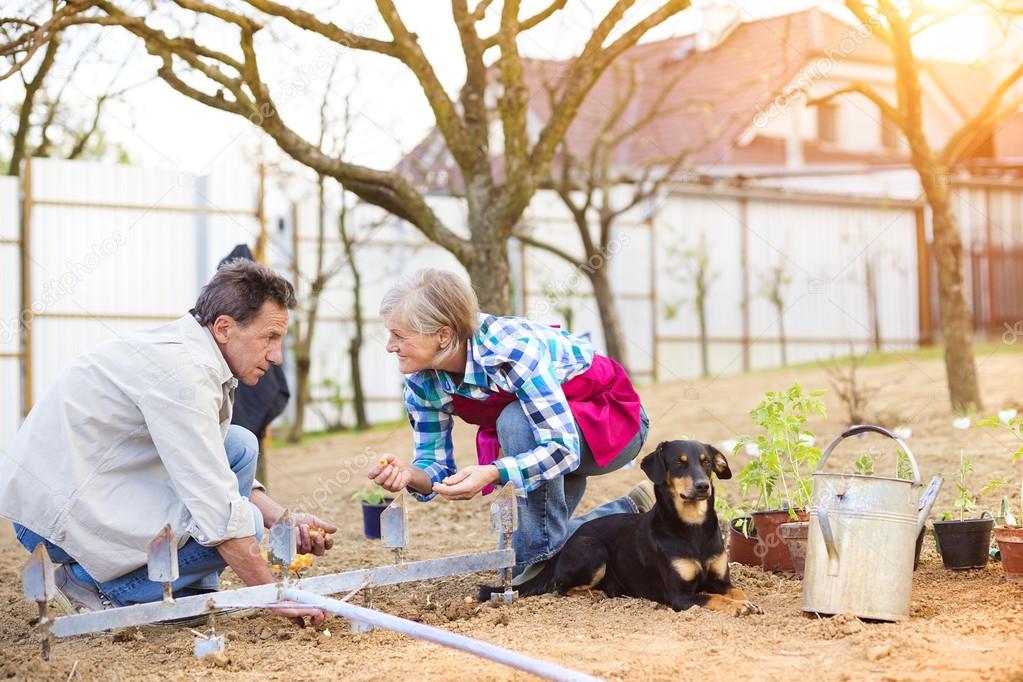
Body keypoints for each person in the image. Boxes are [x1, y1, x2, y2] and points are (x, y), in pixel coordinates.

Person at [0, 260, 334, 625]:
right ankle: (89, 587)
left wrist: (285, 521)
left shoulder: (194, 352)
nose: (277, 355)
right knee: (244, 524)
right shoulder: (185, 376)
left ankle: (188, 587)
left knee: (238, 445)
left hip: (90, 482)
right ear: (224, 327)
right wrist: (277, 599)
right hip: (53, 515)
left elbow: (212, 462)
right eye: (269, 337)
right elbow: (221, 516)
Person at [367, 269, 652, 582]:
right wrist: (411, 475)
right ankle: (620, 516)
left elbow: (561, 448)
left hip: (612, 426)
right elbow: (436, 467)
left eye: (399, 335)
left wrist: (495, 471)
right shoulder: (421, 383)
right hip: (546, 442)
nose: (389, 345)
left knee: (516, 421)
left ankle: (539, 561)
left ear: (443, 335)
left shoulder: (511, 351)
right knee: (532, 556)